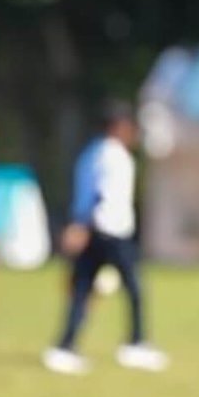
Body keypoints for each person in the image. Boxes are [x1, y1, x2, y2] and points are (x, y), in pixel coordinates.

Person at [42, 101, 168, 375]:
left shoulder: (93, 153)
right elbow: (95, 193)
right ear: (119, 126)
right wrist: (80, 223)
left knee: (83, 290)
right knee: (133, 288)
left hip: (100, 230)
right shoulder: (110, 156)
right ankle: (135, 343)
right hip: (109, 231)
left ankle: (65, 346)